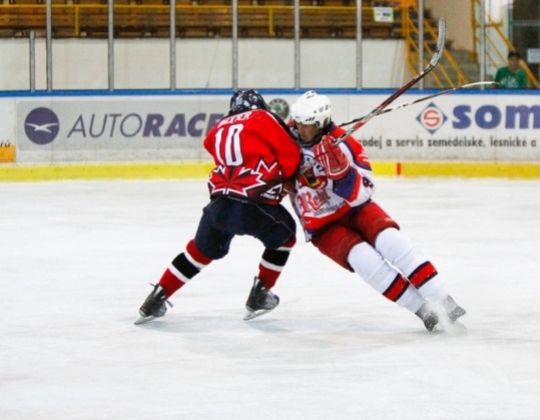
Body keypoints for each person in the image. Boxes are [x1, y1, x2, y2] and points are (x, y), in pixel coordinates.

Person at [288, 90, 466, 332]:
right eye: (297, 121)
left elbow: (366, 190)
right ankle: (422, 310)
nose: (299, 127)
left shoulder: (346, 144)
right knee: (364, 261)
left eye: (306, 124)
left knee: (393, 242)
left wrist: (342, 175)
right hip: (321, 224)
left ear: (320, 124)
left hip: (355, 209)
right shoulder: (285, 141)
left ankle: (443, 299)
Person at [135, 89, 301, 324]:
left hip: (219, 205)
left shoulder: (218, 128)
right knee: (285, 236)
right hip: (253, 204)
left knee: (198, 252)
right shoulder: (264, 117)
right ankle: (261, 293)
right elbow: (291, 158)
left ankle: (157, 296)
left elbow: (218, 147)